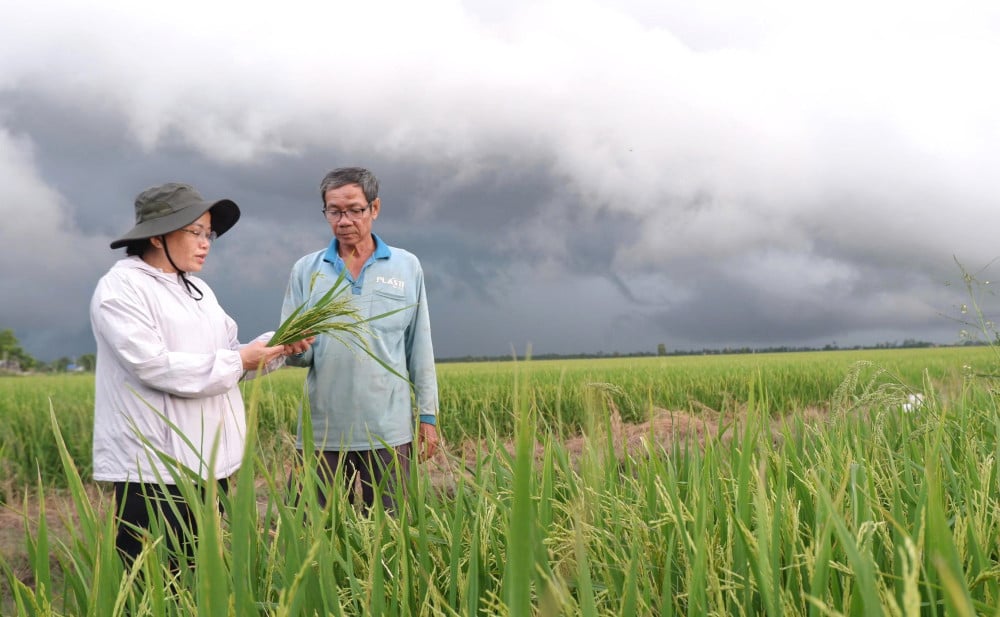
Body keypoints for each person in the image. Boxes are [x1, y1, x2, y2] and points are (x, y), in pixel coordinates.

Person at [91, 182, 311, 566]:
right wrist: (242, 360)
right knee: (153, 587)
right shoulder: (121, 288)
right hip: (155, 471)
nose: (206, 242)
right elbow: (152, 364)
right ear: (157, 237)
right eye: (195, 232)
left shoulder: (198, 291)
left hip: (209, 467)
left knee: (198, 578)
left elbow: (227, 358)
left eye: (208, 233)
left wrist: (274, 347)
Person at [282, 166, 439, 514]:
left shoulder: (406, 267)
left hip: (388, 432)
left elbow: (420, 347)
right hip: (321, 433)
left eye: (354, 209)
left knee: (391, 532)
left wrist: (427, 416)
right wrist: (293, 348)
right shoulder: (306, 271)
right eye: (334, 211)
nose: (344, 220)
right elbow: (297, 355)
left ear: (375, 208)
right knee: (308, 531)